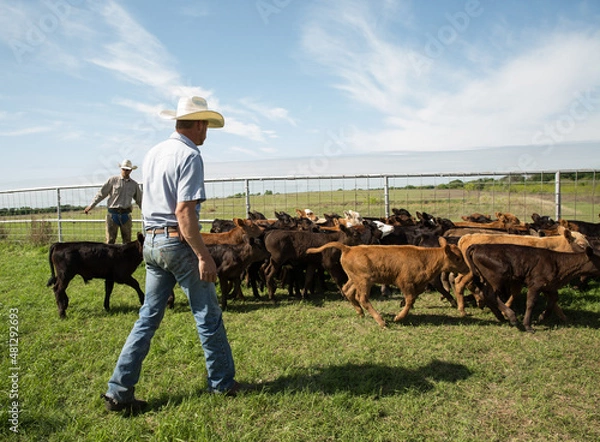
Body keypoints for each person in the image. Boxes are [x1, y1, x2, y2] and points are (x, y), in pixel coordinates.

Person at [101, 96, 238, 414]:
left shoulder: (154, 152)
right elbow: (184, 211)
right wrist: (203, 255)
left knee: (147, 318)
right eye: (207, 126)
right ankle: (222, 384)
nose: (207, 133)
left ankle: (118, 391)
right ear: (200, 124)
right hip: (178, 243)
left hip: (151, 242)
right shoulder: (190, 154)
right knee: (208, 315)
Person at [84, 160, 143, 244]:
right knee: (110, 241)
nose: (125, 171)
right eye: (124, 169)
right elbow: (101, 194)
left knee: (127, 241)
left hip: (126, 214)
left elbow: (140, 200)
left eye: (127, 169)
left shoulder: (134, 185)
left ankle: (125, 257)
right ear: (121, 169)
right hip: (112, 214)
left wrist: (145, 212)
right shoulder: (113, 180)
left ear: (131, 170)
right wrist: (91, 206)